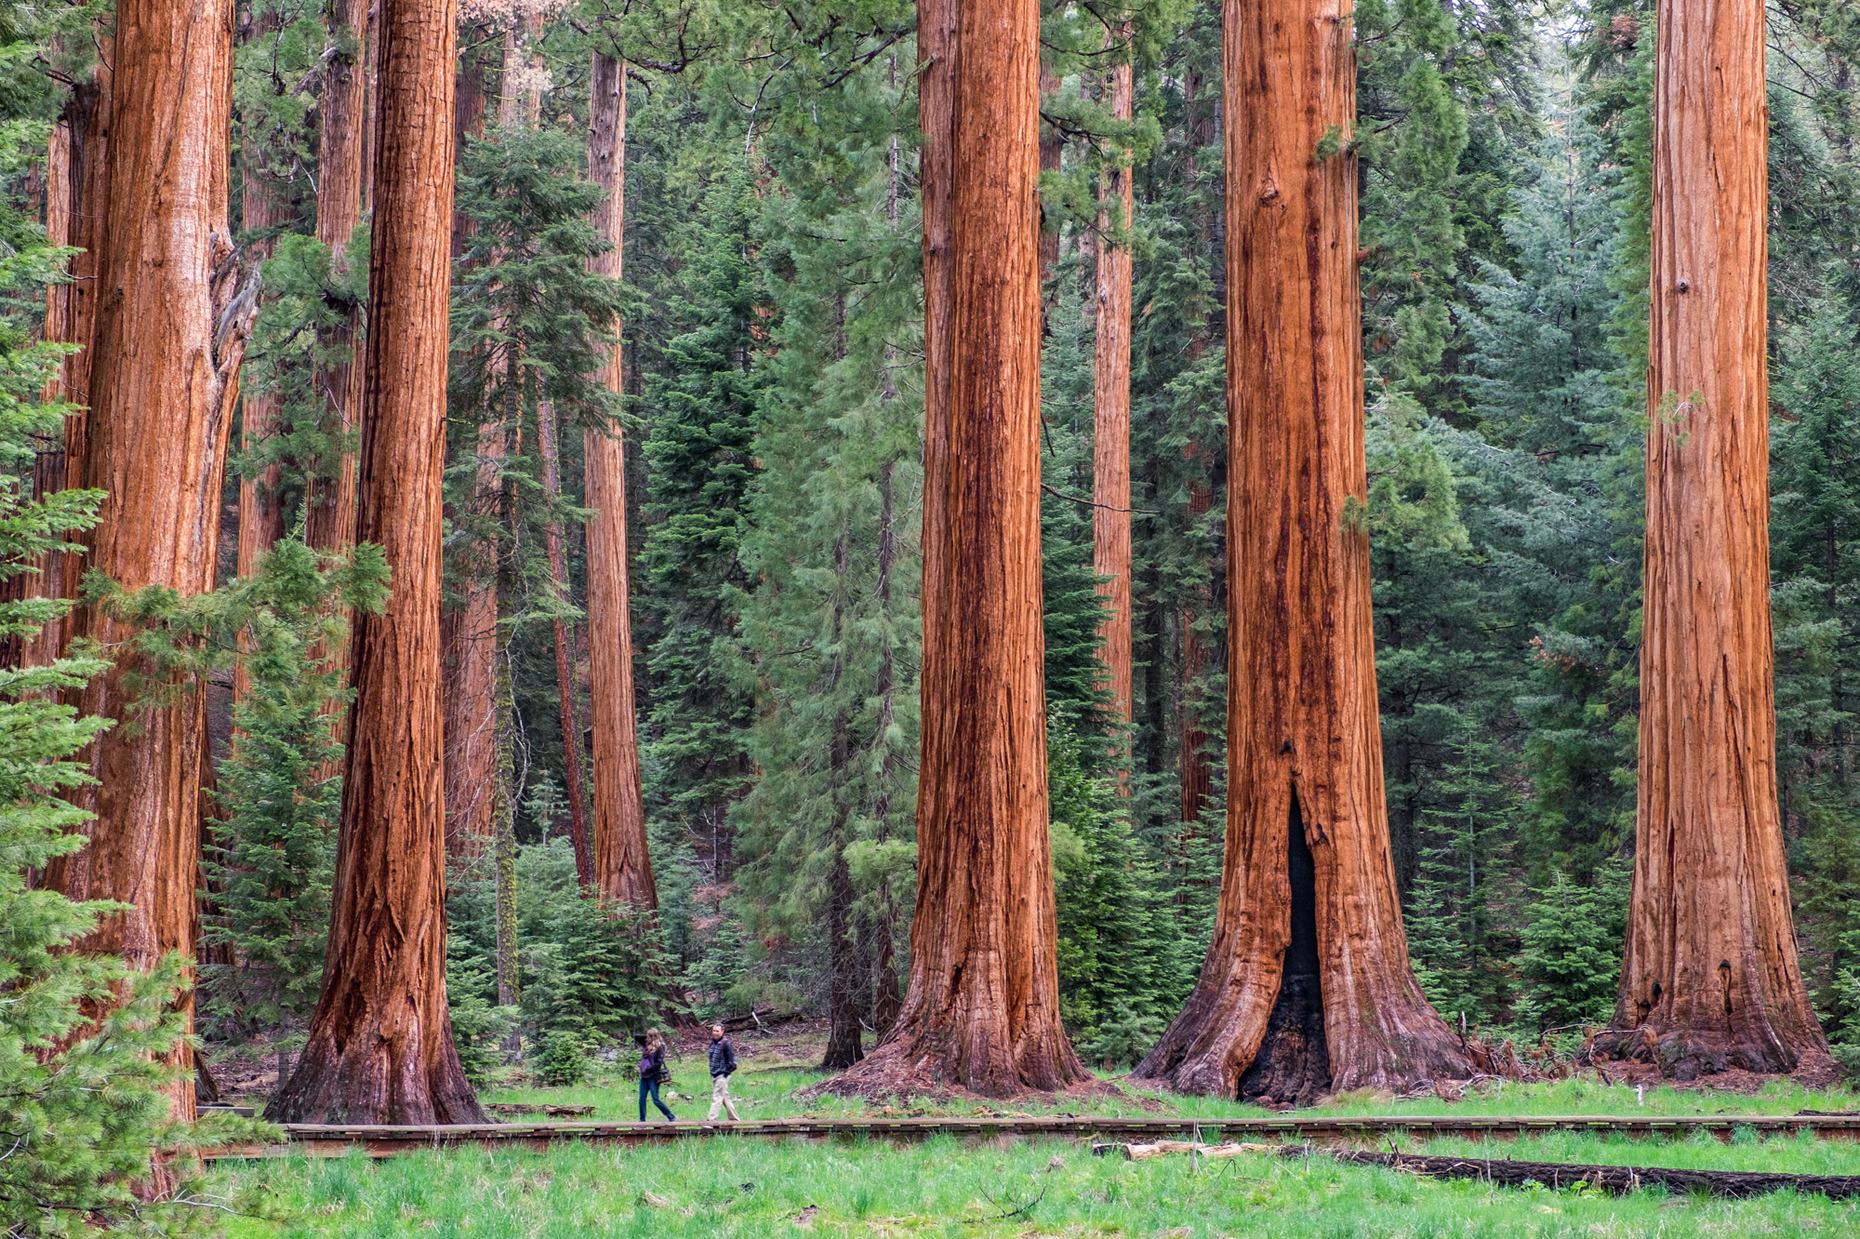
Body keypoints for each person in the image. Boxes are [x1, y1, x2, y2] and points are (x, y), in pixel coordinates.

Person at [636, 1029, 675, 1122]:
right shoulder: (647, 1045)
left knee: (655, 1099)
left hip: (653, 1077)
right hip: (644, 1077)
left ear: (653, 1037)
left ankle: (671, 1116)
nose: (646, 1038)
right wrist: (649, 1033)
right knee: (641, 1099)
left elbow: (658, 1063)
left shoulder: (660, 1048)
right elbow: (636, 1037)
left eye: (648, 1036)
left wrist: (647, 1069)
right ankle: (642, 1120)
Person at [706, 1023, 741, 1121]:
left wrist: (725, 1073)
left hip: (722, 1075)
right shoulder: (712, 1043)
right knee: (724, 1098)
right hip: (714, 1074)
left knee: (716, 1097)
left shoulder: (726, 1044)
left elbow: (732, 1063)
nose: (715, 1033)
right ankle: (735, 1119)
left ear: (722, 1032)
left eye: (717, 1031)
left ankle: (711, 1120)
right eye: (713, 1030)